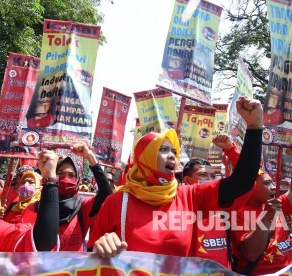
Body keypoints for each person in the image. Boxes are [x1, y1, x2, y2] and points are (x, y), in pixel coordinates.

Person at [89, 97, 264, 258]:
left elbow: (243, 181)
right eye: (163, 150)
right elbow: (90, 254)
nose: (172, 155)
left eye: (174, 151)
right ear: (144, 158)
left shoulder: (190, 197)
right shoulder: (117, 202)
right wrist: (101, 246)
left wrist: (254, 127)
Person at [215, 134, 292, 275]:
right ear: (250, 186)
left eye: (272, 182)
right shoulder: (236, 212)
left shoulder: (275, 204)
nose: (272, 187)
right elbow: (251, 253)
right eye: (266, 183)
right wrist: (267, 217)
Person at [21, 142, 112, 251]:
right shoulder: (34, 209)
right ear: (53, 175)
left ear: (78, 180)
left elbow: (106, 193)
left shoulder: (83, 207)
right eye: (60, 174)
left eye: (72, 175)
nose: (66, 178)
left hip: (74, 267)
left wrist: (89, 156)